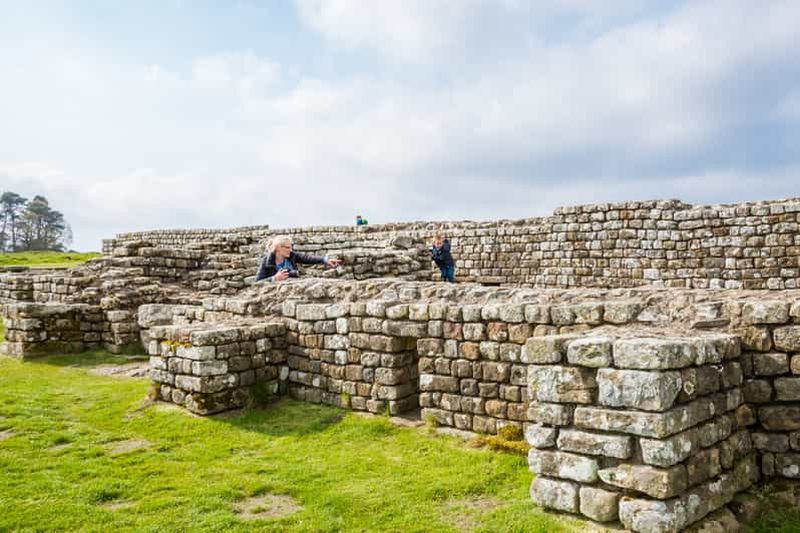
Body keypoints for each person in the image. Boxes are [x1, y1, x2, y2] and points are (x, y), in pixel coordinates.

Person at [255, 235, 341, 282]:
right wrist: (274, 278)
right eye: (287, 247)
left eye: (291, 247)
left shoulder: (292, 256)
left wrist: (325, 260)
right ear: (278, 248)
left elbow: (307, 258)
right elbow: (258, 282)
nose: (290, 250)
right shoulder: (266, 261)